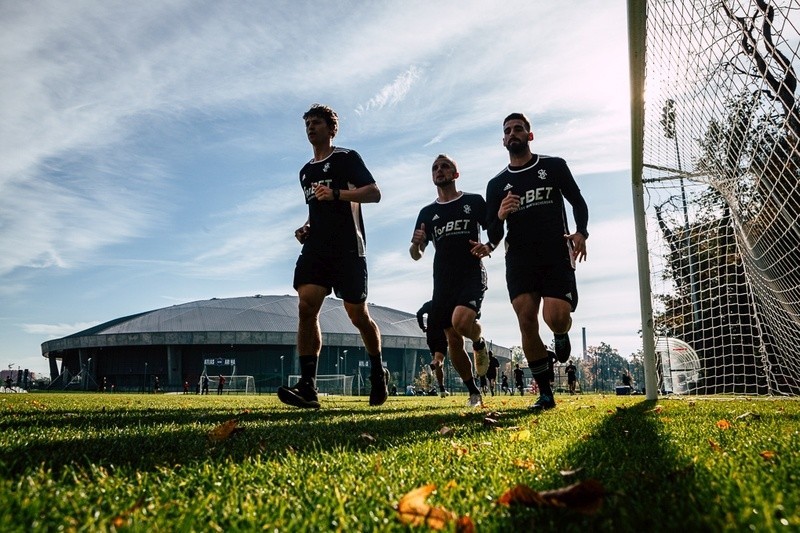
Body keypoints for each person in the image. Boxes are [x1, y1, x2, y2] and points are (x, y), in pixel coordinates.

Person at [278, 104, 387, 410]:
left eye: (316, 123)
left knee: (358, 315)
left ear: (331, 128)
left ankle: (378, 372)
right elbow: (318, 209)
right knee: (306, 306)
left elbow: (374, 193)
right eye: (307, 124)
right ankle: (308, 387)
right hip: (317, 249)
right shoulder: (305, 172)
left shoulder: (346, 158)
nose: (311, 128)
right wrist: (307, 227)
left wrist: (339, 194)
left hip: (348, 248)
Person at [485, 112, 589, 411]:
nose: (513, 133)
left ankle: (560, 332)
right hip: (519, 258)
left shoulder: (553, 166)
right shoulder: (497, 184)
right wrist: (501, 215)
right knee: (526, 320)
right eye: (507, 131)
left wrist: (581, 232)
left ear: (529, 135)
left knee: (554, 317)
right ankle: (545, 394)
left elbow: (578, 201)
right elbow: (493, 231)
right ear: (503, 140)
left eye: (518, 128)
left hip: (555, 252)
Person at [410, 154, 492, 408]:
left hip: (470, 274)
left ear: (456, 174)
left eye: (445, 167)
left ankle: (478, 341)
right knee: (453, 339)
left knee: (461, 322)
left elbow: (495, 227)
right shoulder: (427, 213)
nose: (440, 170)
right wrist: (416, 244)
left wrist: (487, 245)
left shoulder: (473, 202)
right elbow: (416, 254)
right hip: (443, 282)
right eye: (435, 167)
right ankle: (473, 392)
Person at [417, 300, 449, 397]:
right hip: (442, 335)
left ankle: (442, 389)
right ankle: (431, 365)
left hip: (430, 335)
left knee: (439, 365)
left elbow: (419, 313)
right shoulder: (446, 303)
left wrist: (422, 327)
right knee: (438, 361)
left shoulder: (429, 304)